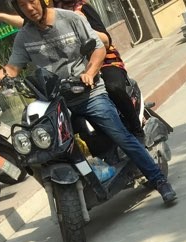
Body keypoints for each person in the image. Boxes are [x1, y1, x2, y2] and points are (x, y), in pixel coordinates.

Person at [0, 0, 176, 203]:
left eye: (32, 1)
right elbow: (13, 68)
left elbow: (99, 48)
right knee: (47, 147)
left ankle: (159, 180)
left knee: (121, 136)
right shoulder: (24, 36)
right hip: (55, 101)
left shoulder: (71, 19)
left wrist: (90, 72)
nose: (29, 8)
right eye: (23, 5)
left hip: (88, 93)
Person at [55, 0, 144, 140]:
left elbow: (106, 41)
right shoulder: (50, 14)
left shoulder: (83, 8)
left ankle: (137, 130)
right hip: (74, 69)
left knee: (113, 87)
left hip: (105, 62)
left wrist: (83, 24)